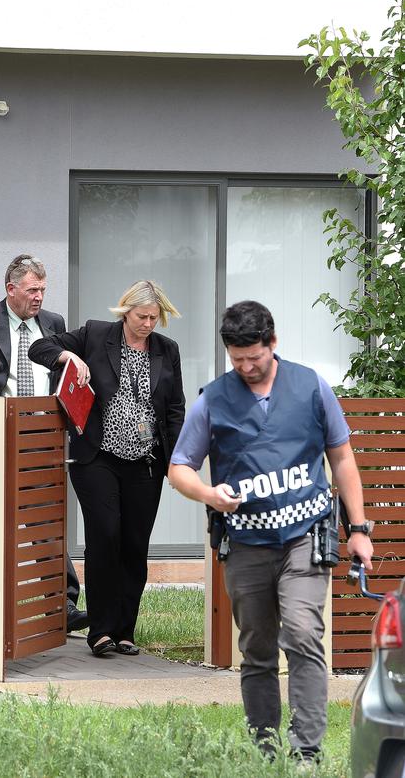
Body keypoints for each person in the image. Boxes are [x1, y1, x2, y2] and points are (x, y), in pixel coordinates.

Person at [168, 300, 374, 763]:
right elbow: (179, 467)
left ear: (273, 344)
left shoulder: (311, 387)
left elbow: (342, 458)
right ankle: (266, 750)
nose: (246, 367)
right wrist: (208, 494)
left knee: (302, 634)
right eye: (237, 359)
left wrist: (358, 528)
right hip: (245, 544)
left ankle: (307, 753)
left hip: (305, 536)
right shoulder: (213, 399)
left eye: (254, 358)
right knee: (257, 649)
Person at [29, 280, 185, 656]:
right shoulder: (96, 335)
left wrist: (179, 461)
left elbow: (175, 408)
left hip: (145, 462)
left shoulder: (167, 350)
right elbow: (40, 347)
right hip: (98, 458)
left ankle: (125, 630)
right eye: (141, 316)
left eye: (154, 317)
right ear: (125, 311)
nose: (148, 324)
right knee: (105, 536)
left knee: (134, 546)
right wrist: (70, 358)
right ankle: (99, 631)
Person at [0, 253, 88, 634]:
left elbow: (61, 373)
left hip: (44, 436)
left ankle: (62, 604)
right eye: (32, 290)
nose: (39, 296)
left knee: (47, 519)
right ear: (11, 290)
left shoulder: (53, 323)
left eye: (43, 289)